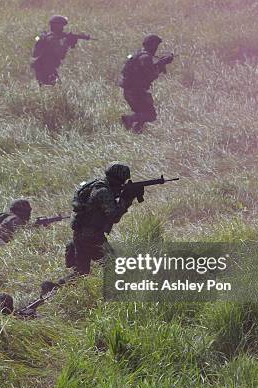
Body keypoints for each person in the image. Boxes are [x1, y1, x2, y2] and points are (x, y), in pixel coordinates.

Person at [42, 163, 134, 294]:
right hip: (92, 236)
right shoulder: (103, 191)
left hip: (81, 234)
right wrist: (127, 199)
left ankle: (54, 289)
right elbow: (114, 216)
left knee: (81, 272)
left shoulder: (98, 185)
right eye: (122, 181)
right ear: (117, 179)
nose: (122, 184)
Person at [120, 34, 174, 133]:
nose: (156, 49)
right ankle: (129, 119)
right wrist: (162, 64)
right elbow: (151, 75)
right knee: (151, 115)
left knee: (141, 113)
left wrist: (160, 63)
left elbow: (142, 71)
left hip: (129, 90)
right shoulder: (145, 58)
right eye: (156, 46)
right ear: (152, 45)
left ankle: (136, 132)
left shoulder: (137, 54)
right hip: (136, 92)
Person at [30, 15, 82, 86]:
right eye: (61, 26)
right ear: (56, 26)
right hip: (46, 69)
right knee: (56, 88)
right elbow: (61, 55)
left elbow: (35, 39)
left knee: (52, 88)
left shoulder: (44, 36)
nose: (63, 28)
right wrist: (67, 43)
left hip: (41, 67)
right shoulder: (51, 39)